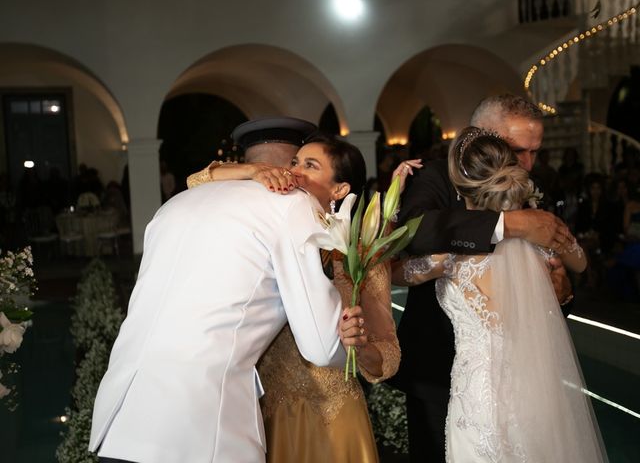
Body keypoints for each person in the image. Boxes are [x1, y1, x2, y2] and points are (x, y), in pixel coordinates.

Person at [88, 120, 357, 463]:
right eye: (298, 163)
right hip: (201, 430)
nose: (299, 174)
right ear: (284, 167)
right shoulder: (291, 204)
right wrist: (348, 336)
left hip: (120, 420)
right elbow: (322, 346)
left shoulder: (172, 206)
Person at [188, 121, 417, 462]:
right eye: (294, 162)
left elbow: (389, 357)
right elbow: (197, 181)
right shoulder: (271, 236)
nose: (293, 172)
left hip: (332, 418)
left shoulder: (360, 252)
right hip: (265, 414)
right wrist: (253, 171)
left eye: (309, 166)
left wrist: (361, 345)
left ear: (339, 190)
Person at [393, 127, 607, 462]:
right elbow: (579, 263)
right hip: (537, 393)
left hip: (478, 402)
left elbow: (389, 268)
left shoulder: (449, 259)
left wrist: (394, 199)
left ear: (460, 189)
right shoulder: (539, 237)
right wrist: (555, 242)